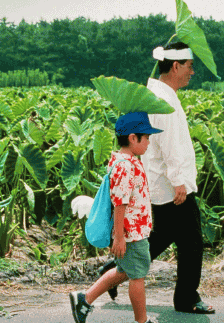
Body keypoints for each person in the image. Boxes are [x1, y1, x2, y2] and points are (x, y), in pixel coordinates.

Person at [99, 42, 215, 314]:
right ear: (175, 66)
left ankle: (113, 271)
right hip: (171, 186)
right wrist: (179, 181)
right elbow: (169, 143)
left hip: (160, 184)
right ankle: (186, 299)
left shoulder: (157, 93)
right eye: (189, 66)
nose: (192, 72)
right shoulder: (163, 99)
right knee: (192, 243)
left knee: (161, 237)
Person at [69, 112, 162, 323]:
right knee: (137, 276)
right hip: (131, 234)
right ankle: (142, 321)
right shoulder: (125, 166)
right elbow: (120, 202)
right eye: (146, 137)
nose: (149, 141)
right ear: (132, 138)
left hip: (133, 232)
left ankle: (84, 299)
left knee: (123, 271)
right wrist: (119, 237)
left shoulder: (127, 162)